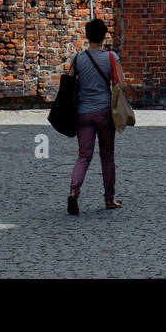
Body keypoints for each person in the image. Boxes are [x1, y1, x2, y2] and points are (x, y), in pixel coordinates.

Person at [67, 18, 127, 215]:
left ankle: (74, 192)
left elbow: (68, 82)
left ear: (86, 35)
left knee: (83, 156)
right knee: (107, 156)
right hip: (104, 112)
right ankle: (109, 199)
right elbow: (122, 84)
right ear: (104, 36)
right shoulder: (111, 57)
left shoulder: (77, 58)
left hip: (82, 113)